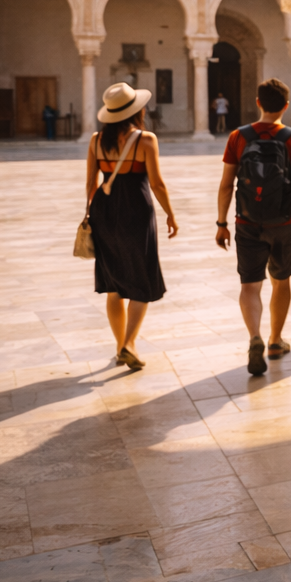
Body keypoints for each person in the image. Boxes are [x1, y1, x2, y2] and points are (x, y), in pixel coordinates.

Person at [215, 78, 291, 376]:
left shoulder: (238, 137)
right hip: (287, 222)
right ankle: (276, 340)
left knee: (250, 285)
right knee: (281, 280)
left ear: (258, 102)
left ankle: (254, 337)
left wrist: (222, 223)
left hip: (247, 222)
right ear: (286, 106)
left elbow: (226, 186)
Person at [84, 82, 178, 371]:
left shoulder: (96, 140)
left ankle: (119, 345)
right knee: (140, 279)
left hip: (104, 210)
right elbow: (157, 183)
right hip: (136, 210)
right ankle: (129, 343)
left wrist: (91, 215)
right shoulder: (145, 140)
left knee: (114, 283)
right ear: (137, 111)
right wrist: (170, 214)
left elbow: (90, 184)